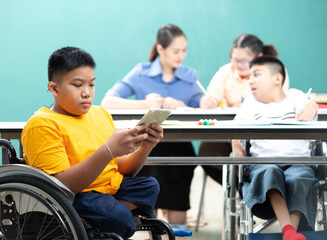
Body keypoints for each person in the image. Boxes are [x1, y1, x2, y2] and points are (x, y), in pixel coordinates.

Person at [21, 47, 164, 239]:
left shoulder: (100, 114)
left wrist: (146, 146)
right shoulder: (42, 124)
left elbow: (122, 170)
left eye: (92, 85)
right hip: (76, 195)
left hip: (107, 189)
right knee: (119, 216)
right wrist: (108, 150)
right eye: (78, 85)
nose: (87, 93)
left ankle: (102, 217)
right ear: (54, 88)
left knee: (150, 186)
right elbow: (61, 186)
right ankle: (108, 216)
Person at [101, 24, 201, 228]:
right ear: (161, 49)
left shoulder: (191, 77)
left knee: (178, 212)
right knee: (148, 214)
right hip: (146, 151)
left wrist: (183, 106)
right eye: (176, 51)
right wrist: (144, 104)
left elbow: (201, 111)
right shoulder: (140, 72)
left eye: (184, 50)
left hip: (180, 151)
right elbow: (107, 101)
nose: (181, 55)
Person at [198, 34, 315, 185]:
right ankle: (246, 186)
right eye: (233, 59)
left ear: (258, 57)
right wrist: (210, 100)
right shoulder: (226, 71)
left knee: (267, 163)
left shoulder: (273, 72)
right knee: (207, 153)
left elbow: (275, 102)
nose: (237, 64)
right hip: (232, 128)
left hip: (260, 132)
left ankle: (257, 185)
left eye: (243, 60)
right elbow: (212, 96)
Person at [232, 56, 318, 240]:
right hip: (263, 164)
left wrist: (313, 106)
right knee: (270, 172)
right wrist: (236, 144)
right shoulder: (250, 104)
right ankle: (289, 231)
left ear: (277, 79)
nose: (250, 80)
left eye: (257, 74)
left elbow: (311, 109)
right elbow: (236, 129)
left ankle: (290, 232)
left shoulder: (295, 96)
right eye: (250, 76)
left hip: (298, 163)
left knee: (300, 177)